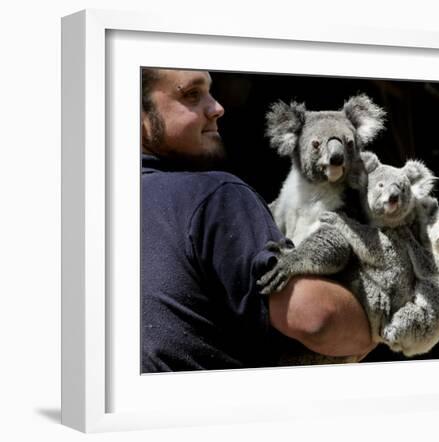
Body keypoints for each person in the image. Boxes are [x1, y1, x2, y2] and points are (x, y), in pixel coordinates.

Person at [140, 68, 376, 372]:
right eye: (191, 95)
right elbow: (317, 319)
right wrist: (378, 317)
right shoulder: (214, 195)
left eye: (210, 92)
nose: (217, 107)